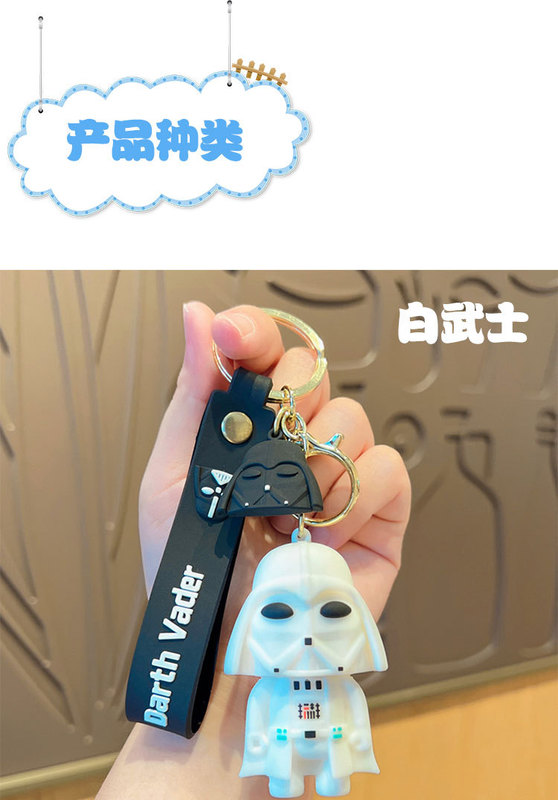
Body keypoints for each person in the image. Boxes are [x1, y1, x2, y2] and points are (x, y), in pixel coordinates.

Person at [97, 303, 411, 800]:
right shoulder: (266, 684)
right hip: (275, 751)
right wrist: (215, 682)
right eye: (279, 612)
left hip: (324, 754)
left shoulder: (339, 685)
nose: (307, 631)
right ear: (250, 624)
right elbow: (262, 717)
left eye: (332, 611)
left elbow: (352, 721)